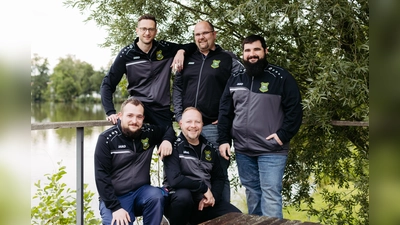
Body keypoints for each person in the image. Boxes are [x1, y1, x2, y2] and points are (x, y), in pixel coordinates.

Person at [218, 34, 303, 218]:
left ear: (265, 51)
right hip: (243, 150)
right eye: (247, 50)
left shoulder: (281, 77)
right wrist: (224, 139)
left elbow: (295, 110)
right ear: (243, 54)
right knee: (253, 195)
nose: (252, 54)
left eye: (256, 49)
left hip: (271, 150)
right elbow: (225, 112)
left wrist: (282, 135)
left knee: (271, 196)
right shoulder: (235, 78)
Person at [172, 20, 243, 202]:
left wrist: (228, 114)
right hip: (189, 127)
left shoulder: (228, 59)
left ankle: (224, 216)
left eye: (205, 33)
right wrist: (180, 116)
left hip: (213, 127)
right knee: (190, 173)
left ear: (214, 34)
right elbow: (178, 88)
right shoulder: (187, 58)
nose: (201, 37)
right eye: (197, 34)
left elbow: (242, 88)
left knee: (218, 174)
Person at [101, 14, 196, 127]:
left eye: (150, 29)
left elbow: (193, 47)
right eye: (143, 29)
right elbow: (107, 84)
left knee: (169, 142)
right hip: (138, 109)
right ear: (137, 30)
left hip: (161, 110)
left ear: (155, 31)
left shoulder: (165, 49)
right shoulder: (127, 54)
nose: (147, 33)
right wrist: (110, 112)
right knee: (132, 143)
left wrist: (181, 51)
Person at [94, 97, 175, 225]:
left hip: (141, 192)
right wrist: (115, 208)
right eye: (130, 115)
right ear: (120, 116)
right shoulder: (107, 139)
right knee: (117, 222)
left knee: (157, 197)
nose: (134, 121)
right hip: (115, 198)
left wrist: (167, 140)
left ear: (143, 118)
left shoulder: (148, 133)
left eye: (139, 117)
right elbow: (101, 177)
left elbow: (168, 129)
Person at [163, 107, 241, 225]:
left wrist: (211, 197)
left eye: (197, 122)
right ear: (181, 124)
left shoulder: (210, 148)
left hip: (204, 203)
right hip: (179, 203)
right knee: (184, 197)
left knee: (237, 217)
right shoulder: (173, 147)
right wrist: (203, 188)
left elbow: (219, 178)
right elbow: (175, 180)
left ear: (202, 124)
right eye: (189, 122)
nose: (193, 125)